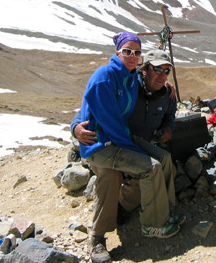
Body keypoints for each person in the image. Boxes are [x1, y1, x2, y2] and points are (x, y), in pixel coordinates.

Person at [77, 33, 180, 263]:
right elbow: (91, 108)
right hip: (102, 145)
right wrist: (75, 127)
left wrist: (165, 82)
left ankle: (156, 212)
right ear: (117, 53)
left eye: (136, 52)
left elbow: (168, 111)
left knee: (162, 161)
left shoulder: (132, 79)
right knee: (121, 173)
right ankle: (98, 237)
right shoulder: (105, 76)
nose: (132, 56)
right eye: (127, 52)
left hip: (123, 142)